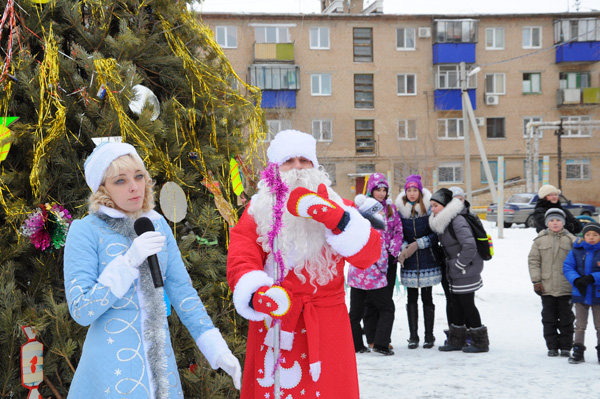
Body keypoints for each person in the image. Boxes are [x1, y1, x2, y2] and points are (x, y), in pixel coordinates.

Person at [63, 142, 241, 398]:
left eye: (138, 176)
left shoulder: (157, 224)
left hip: (160, 367)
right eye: (120, 181)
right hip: (111, 371)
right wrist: (128, 262)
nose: (134, 186)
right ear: (103, 189)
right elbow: (82, 310)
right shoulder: (86, 230)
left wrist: (216, 348)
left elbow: (182, 292)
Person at [226, 130, 381, 398]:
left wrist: (338, 220)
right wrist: (255, 294)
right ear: (275, 168)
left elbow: (368, 255)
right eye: (289, 161)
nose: (297, 167)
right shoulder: (257, 210)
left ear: (315, 165)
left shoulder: (337, 205)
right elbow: (241, 256)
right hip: (275, 318)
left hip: (327, 323)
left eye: (304, 160)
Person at [429, 188, 489, 353]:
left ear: (446, 206)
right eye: (431, 205)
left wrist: (458, 265)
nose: (432, 209)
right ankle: (457, 340)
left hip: (466, 269)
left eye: (435, 205)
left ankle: (480, 342)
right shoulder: (444, 221)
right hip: (457, 270)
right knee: (457, 304)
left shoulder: (457, 220)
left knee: (467, 304)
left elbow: (470, 246)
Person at [349, 173, 403, 356]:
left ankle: (362, 343)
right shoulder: (367, 211)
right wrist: (382, 258)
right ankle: (377, 341)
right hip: (375, 267)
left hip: (372, 266)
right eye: (377, 189)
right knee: (379, 306)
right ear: (370, 190)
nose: (381, 193)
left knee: (360, 309)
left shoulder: (390, 209)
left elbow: (398, 231)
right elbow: (373, 241)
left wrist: (392, 251)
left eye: (384, 190)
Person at [395, 175, 441, 349]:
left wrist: (419, 244)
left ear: (420, 192)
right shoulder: (401, 210)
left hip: (428, 258)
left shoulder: (429, 209)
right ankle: (413, 336)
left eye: (415, 190)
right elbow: (398, 233)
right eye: (409, 190)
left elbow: (436, 233)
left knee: (427, 297)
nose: (412, 193)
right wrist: (406, 248)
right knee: (412, 297)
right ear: (405, 192)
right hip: (410, 260)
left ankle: (429, 335)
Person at [528, 208, 576, 357]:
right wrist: (536, 280)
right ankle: (552, 346)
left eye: (558, 220)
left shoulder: (572, 240)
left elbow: (578, 262)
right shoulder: (540, 240)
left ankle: (566, 346)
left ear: (563, 222)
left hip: (566, 287)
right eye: (551, 220)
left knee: (566, 318)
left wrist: (577, 281)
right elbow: (534, 261)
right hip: (546, 287)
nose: (555, 223)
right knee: (549, 318)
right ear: (546, 222)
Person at [563, 222, 600, 364]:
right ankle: (578, 350)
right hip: (581, 294)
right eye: (588, 235)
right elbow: (568, 267)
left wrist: (593, 278)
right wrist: (576, 279)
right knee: (580, 325)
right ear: (583, 236)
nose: (591, 237)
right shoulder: (576, 251)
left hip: (598, 294)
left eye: (595, 235)